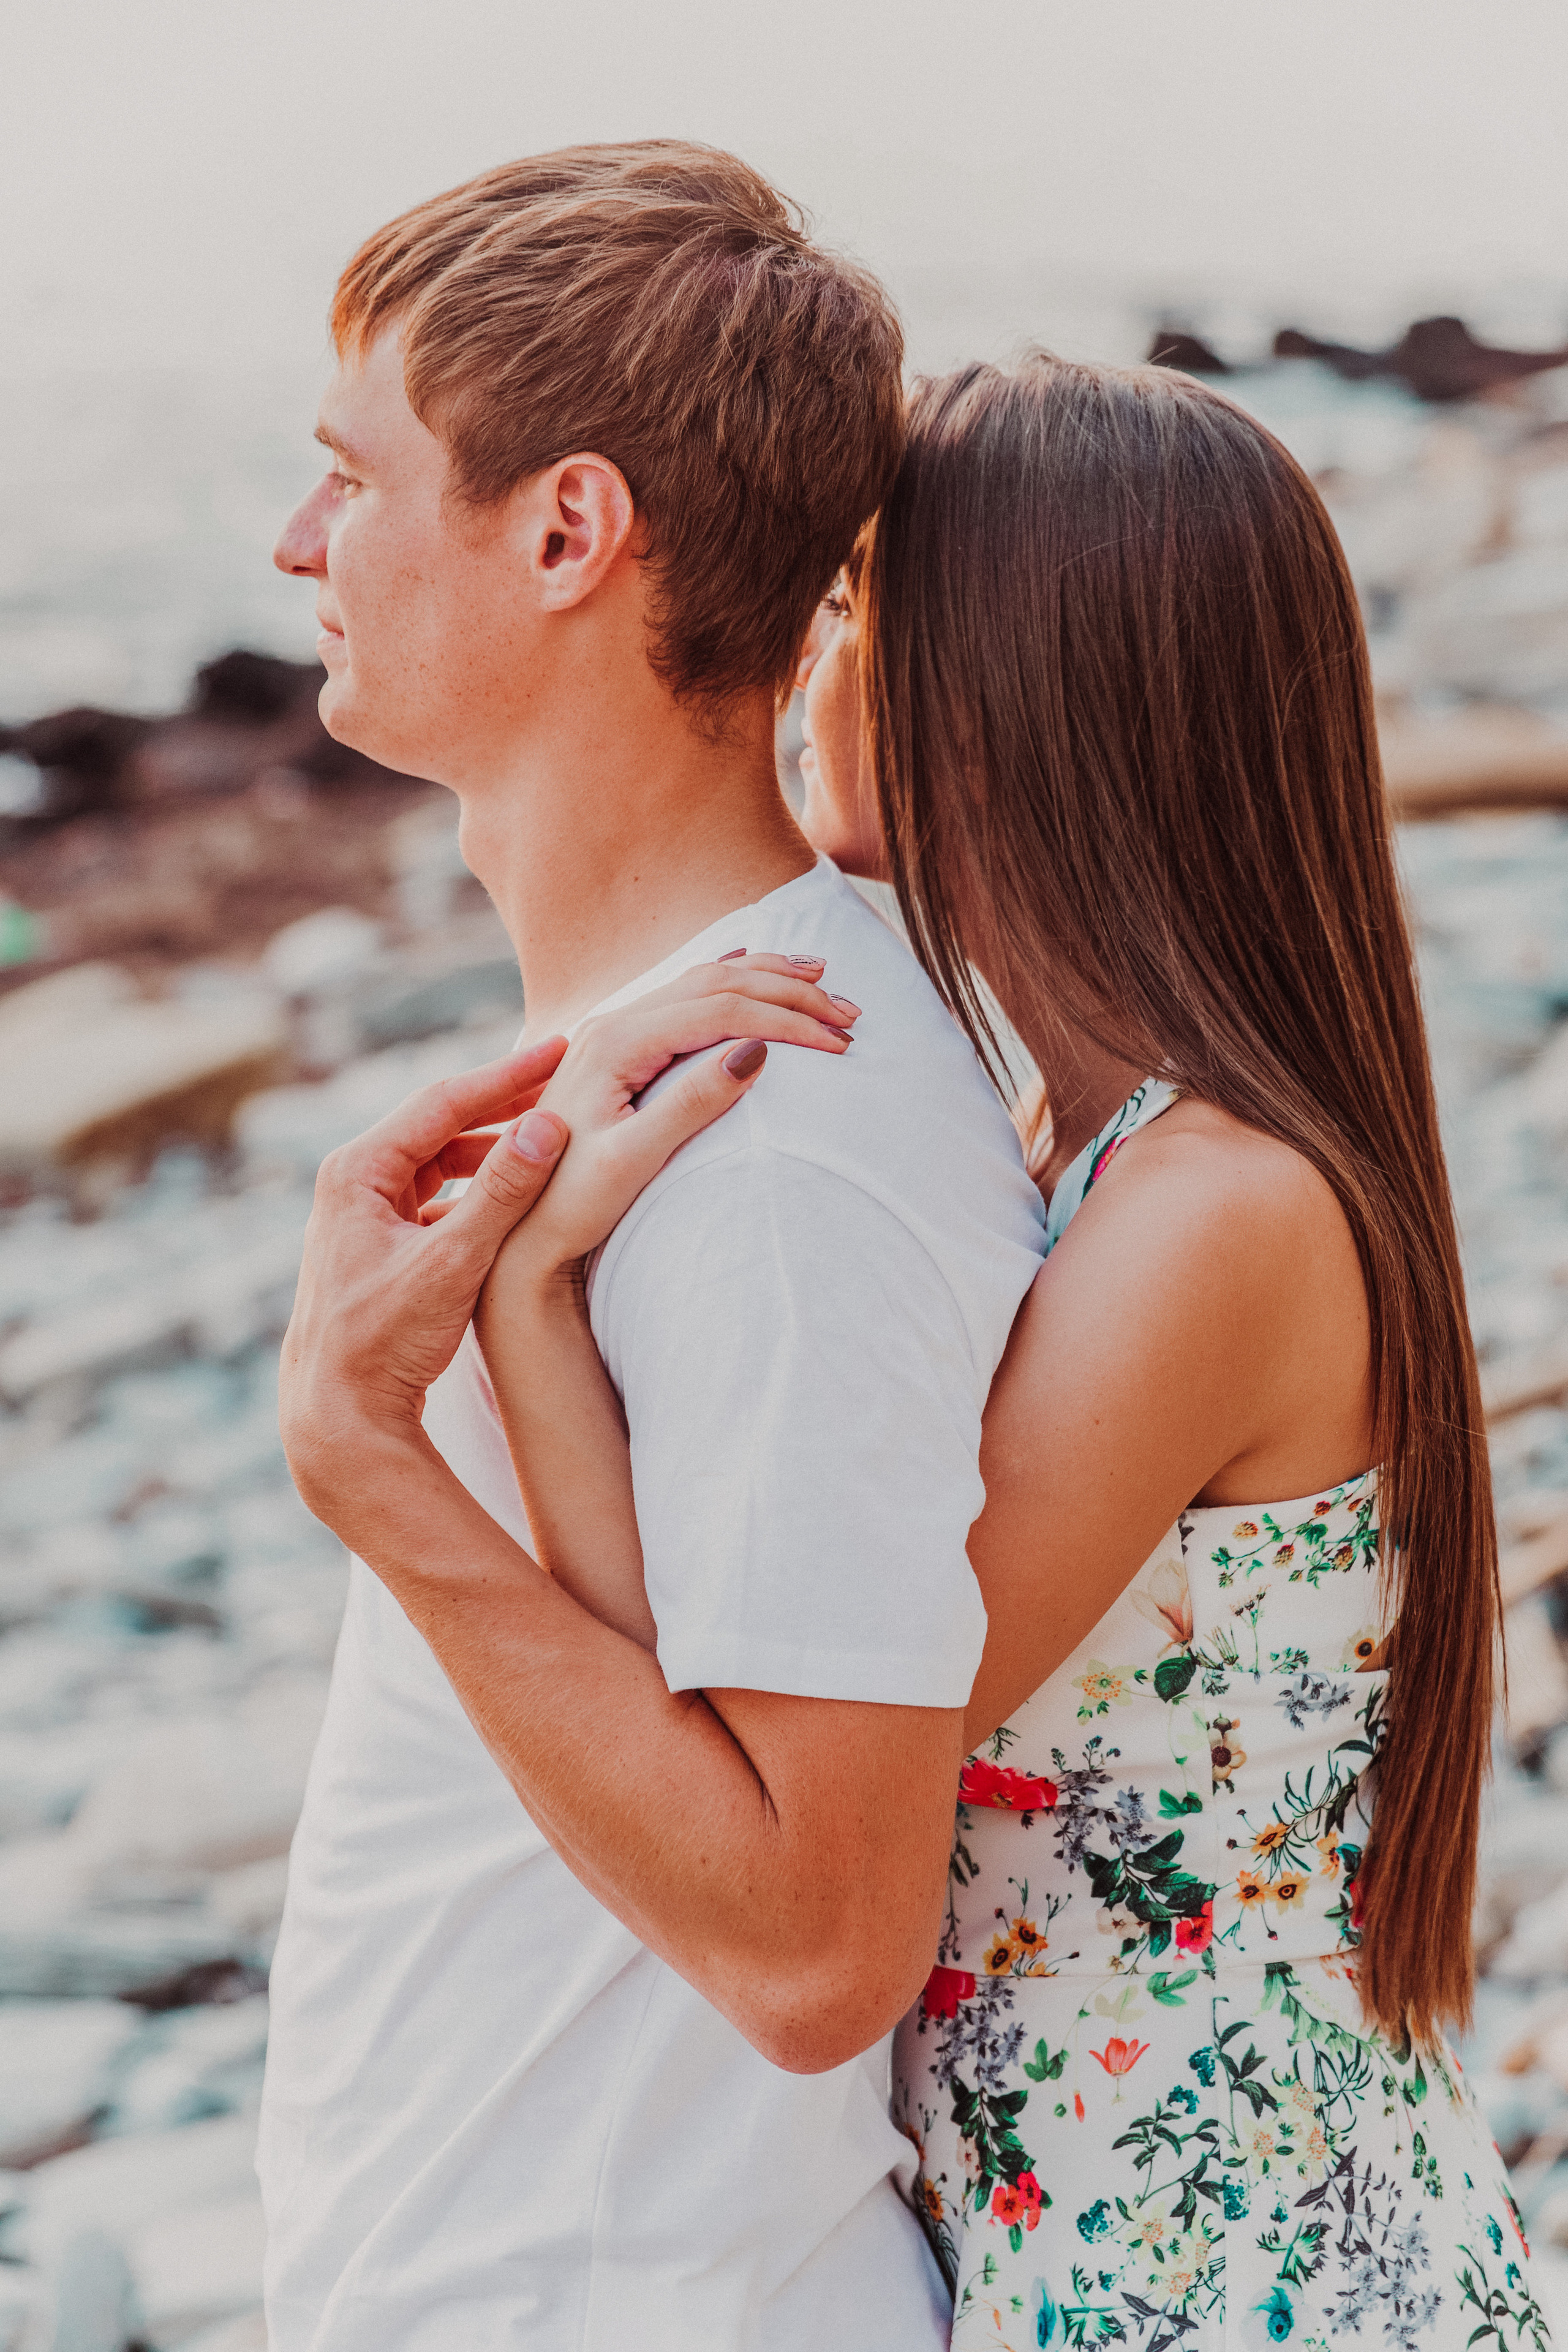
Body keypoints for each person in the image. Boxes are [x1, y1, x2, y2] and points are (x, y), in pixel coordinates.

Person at [290, 353, 1547, 2351]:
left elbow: (772, 1826)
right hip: (1139, 2231)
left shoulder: (1212, 1213)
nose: (805, 660)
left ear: (1010, 689)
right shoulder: (1098, 1157)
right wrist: (541, 1300)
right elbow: (729, 1697)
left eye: (856, 607)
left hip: (1236, 2265)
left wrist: (433, 1411)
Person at [260, 142, 1047, 2351]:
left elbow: (818, 1945)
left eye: (353, 477)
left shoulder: (778, 1130)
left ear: (567, 533)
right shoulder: (677, 1067)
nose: (297, 541)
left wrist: (365, 1464)